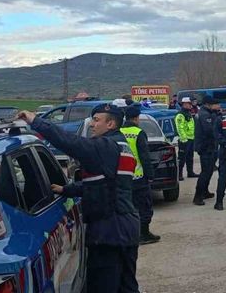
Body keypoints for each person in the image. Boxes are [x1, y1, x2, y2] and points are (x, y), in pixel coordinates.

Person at [17, 105, 140, 293]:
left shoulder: (104, 146)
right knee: (127, 286)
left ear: (110, 124)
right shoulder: (121, 145)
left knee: (104, 287)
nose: (91, 124)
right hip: (126, 228)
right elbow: (106, 184)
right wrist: (67, 189)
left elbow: (69, 142)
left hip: (109, 232)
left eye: (96, 120)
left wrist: (36, 121)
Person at [121, 105, 159, 245]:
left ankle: (129, 233)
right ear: (136, 118)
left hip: (123, 177)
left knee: (127, 206)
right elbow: (144, 156)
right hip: (138, 177)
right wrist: (150, 175)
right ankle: (143, 234)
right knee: (144, 207)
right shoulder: (138, 133)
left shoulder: (119, 131)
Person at [193, 96, 219, 205]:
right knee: (205, 172)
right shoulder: (205, 115)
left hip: (209, 146)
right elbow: (209, 130)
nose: (217, 106)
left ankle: (205, 191)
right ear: (208, 104)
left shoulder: (207, 113)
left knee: (209, 170)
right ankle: (198, 196)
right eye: (215, 104)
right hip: (206, 147)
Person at [175, 97, 197, 180]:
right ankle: (179, 174)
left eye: (190, 104)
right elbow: (179, 128)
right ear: (184, 104)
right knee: (181, 158)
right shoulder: (180, 115)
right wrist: (183, 139)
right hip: (184, 140)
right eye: (189, 104)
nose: (190, 105)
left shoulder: (189, 113)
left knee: (190, 157)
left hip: (191, 138)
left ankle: (190, 172)